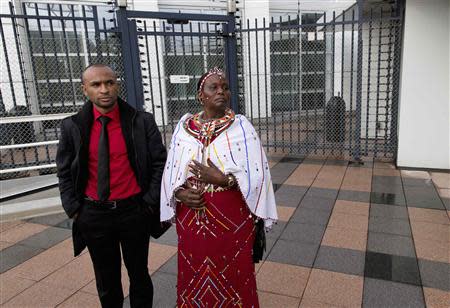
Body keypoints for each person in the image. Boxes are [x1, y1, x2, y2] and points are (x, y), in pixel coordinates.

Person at [160, 67, 277, 307]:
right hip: (191, 215)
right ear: (200, 95)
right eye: (214, 87)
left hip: (231, 215)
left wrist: (224, 180)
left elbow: (258, 175)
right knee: (193, 268)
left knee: (233, 270)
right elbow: (171, 171)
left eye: (225, 87)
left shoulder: (242, 128)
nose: (221, 92)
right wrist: (180, 194)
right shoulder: (183, 129)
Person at [56, 64, 167, 308]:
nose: (104, 89)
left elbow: (160, 163)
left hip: (134, 212)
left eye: (110, 82)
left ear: (117, 84)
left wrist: (148, 203)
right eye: (96, 84)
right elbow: (64, 172)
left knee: (139, 274)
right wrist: (74, 209)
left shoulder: (142, 121)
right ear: (84, 89)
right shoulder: (72, 126)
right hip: (93, 214)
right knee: (106, 281)